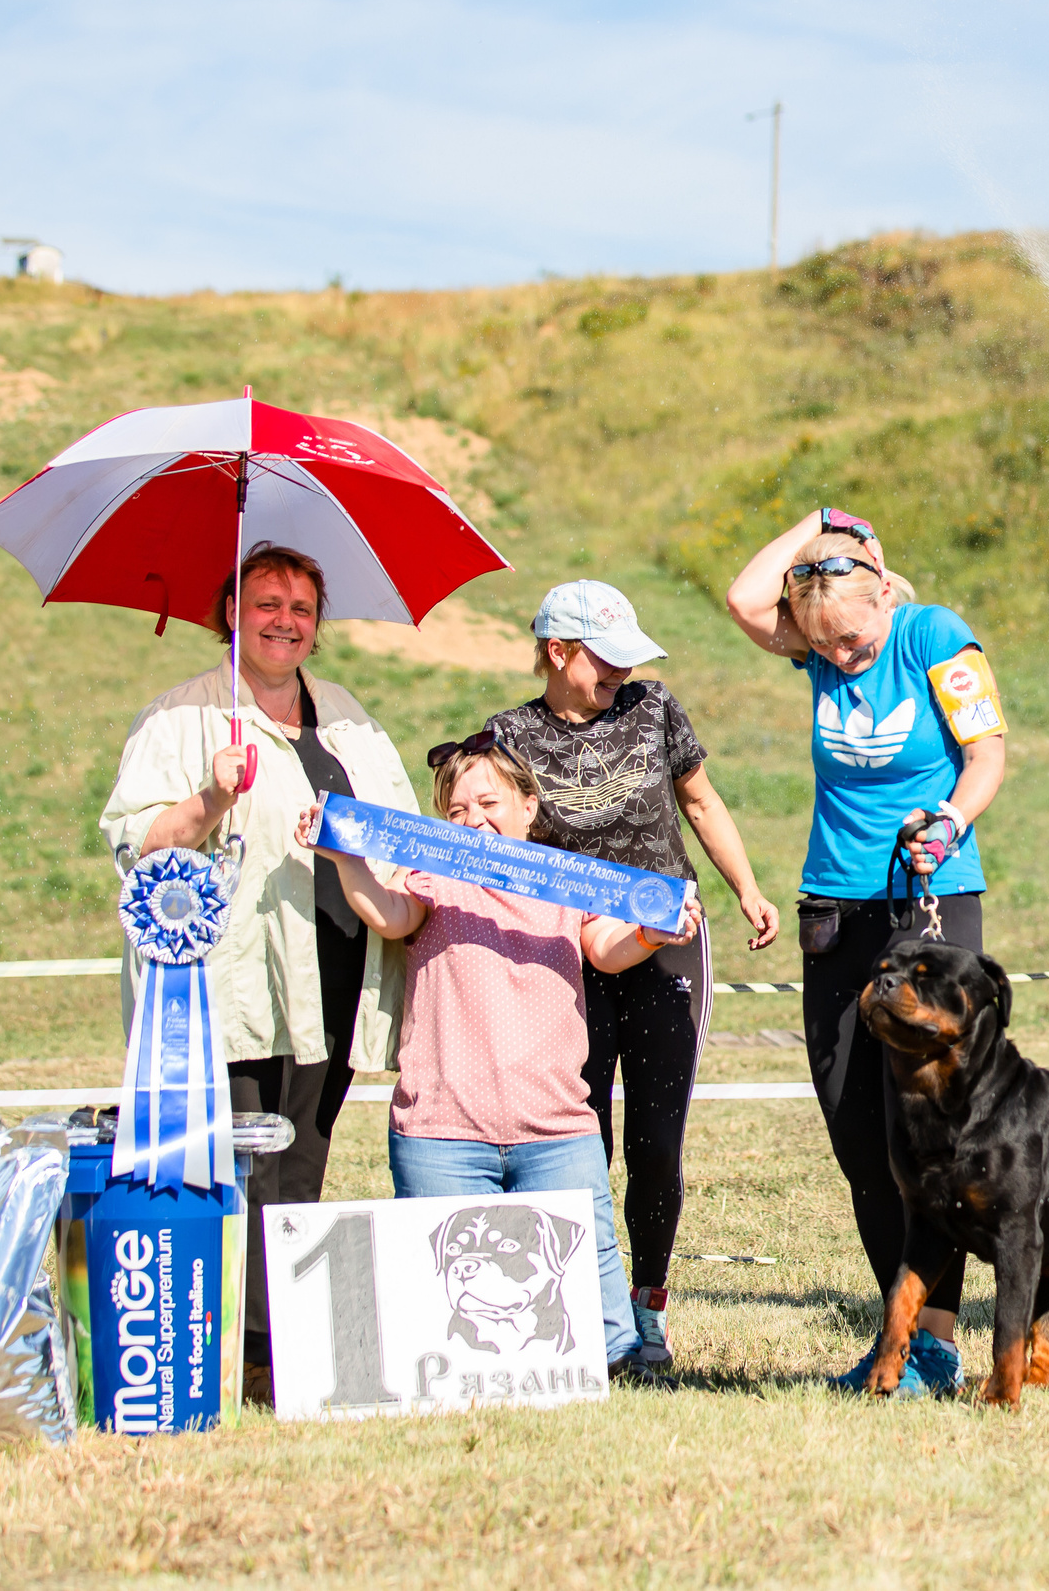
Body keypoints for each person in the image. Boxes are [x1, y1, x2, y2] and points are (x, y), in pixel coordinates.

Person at [100, 543, 421, 1403]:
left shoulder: (347, 718)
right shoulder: (179, 716)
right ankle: (236, 1353)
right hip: (229, 983)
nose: (285, 619)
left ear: (318, 625)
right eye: (267, 601)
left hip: (334, 968)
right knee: (242, 1164)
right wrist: (211, 798)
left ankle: (290, 1350)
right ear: (231, 611)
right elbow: (134, 846)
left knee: (304, 1158)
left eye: (302, 607)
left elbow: (401, 835)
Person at [297, 737, 701, 1376]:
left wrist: (654, 931)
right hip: (442, 1130)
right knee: (441, 1322)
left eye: (488, 802)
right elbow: (392, 915)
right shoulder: (433, 869)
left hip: (556, 1128)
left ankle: (627, 1365)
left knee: (595, 1276)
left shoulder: (568, 880)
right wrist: (344, 859)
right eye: (457, 811)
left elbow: (606, 947)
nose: (473, 819)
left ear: (528, 808)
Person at [724, 506, 1006, 1398]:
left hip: (931, 900)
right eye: (825, 647)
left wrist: (952, 818)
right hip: (834, 908)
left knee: (929, 1132)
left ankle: (935, 1342)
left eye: (851, 640)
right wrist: (818, 520)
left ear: (884, 593)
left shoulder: (932, 634)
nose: (841, 658)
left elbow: (988, 751)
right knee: (857, 1131)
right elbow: (742, 596)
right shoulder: (813, 641)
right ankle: (900, 1329)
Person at [484, 581, 782, 1373]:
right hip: (562, 957)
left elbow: (700, 800)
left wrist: (747, 888)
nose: (622, 672)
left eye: (628, 657)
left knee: (656, 1140)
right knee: (580, 1140)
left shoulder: (654, 708)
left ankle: (646, 1307)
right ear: (557, 651)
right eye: (604, 658)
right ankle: (575, 1305)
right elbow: (482, 839)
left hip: (667, 947)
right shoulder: (507, 737)